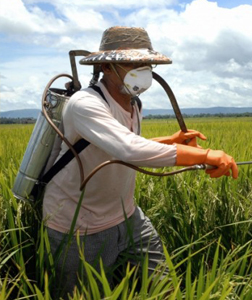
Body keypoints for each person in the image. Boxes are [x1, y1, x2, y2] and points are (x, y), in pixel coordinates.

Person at [42, 26, 238, 298]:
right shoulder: (85, 104)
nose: (142, 69)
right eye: (131, 63)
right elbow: (128, 148)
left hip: (127, 214)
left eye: (145, 63)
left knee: (163, 287)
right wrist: (204, 156)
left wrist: (171, 141)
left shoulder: (134, 104)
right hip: (78, 224)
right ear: (106, 67)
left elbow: (120, 144)